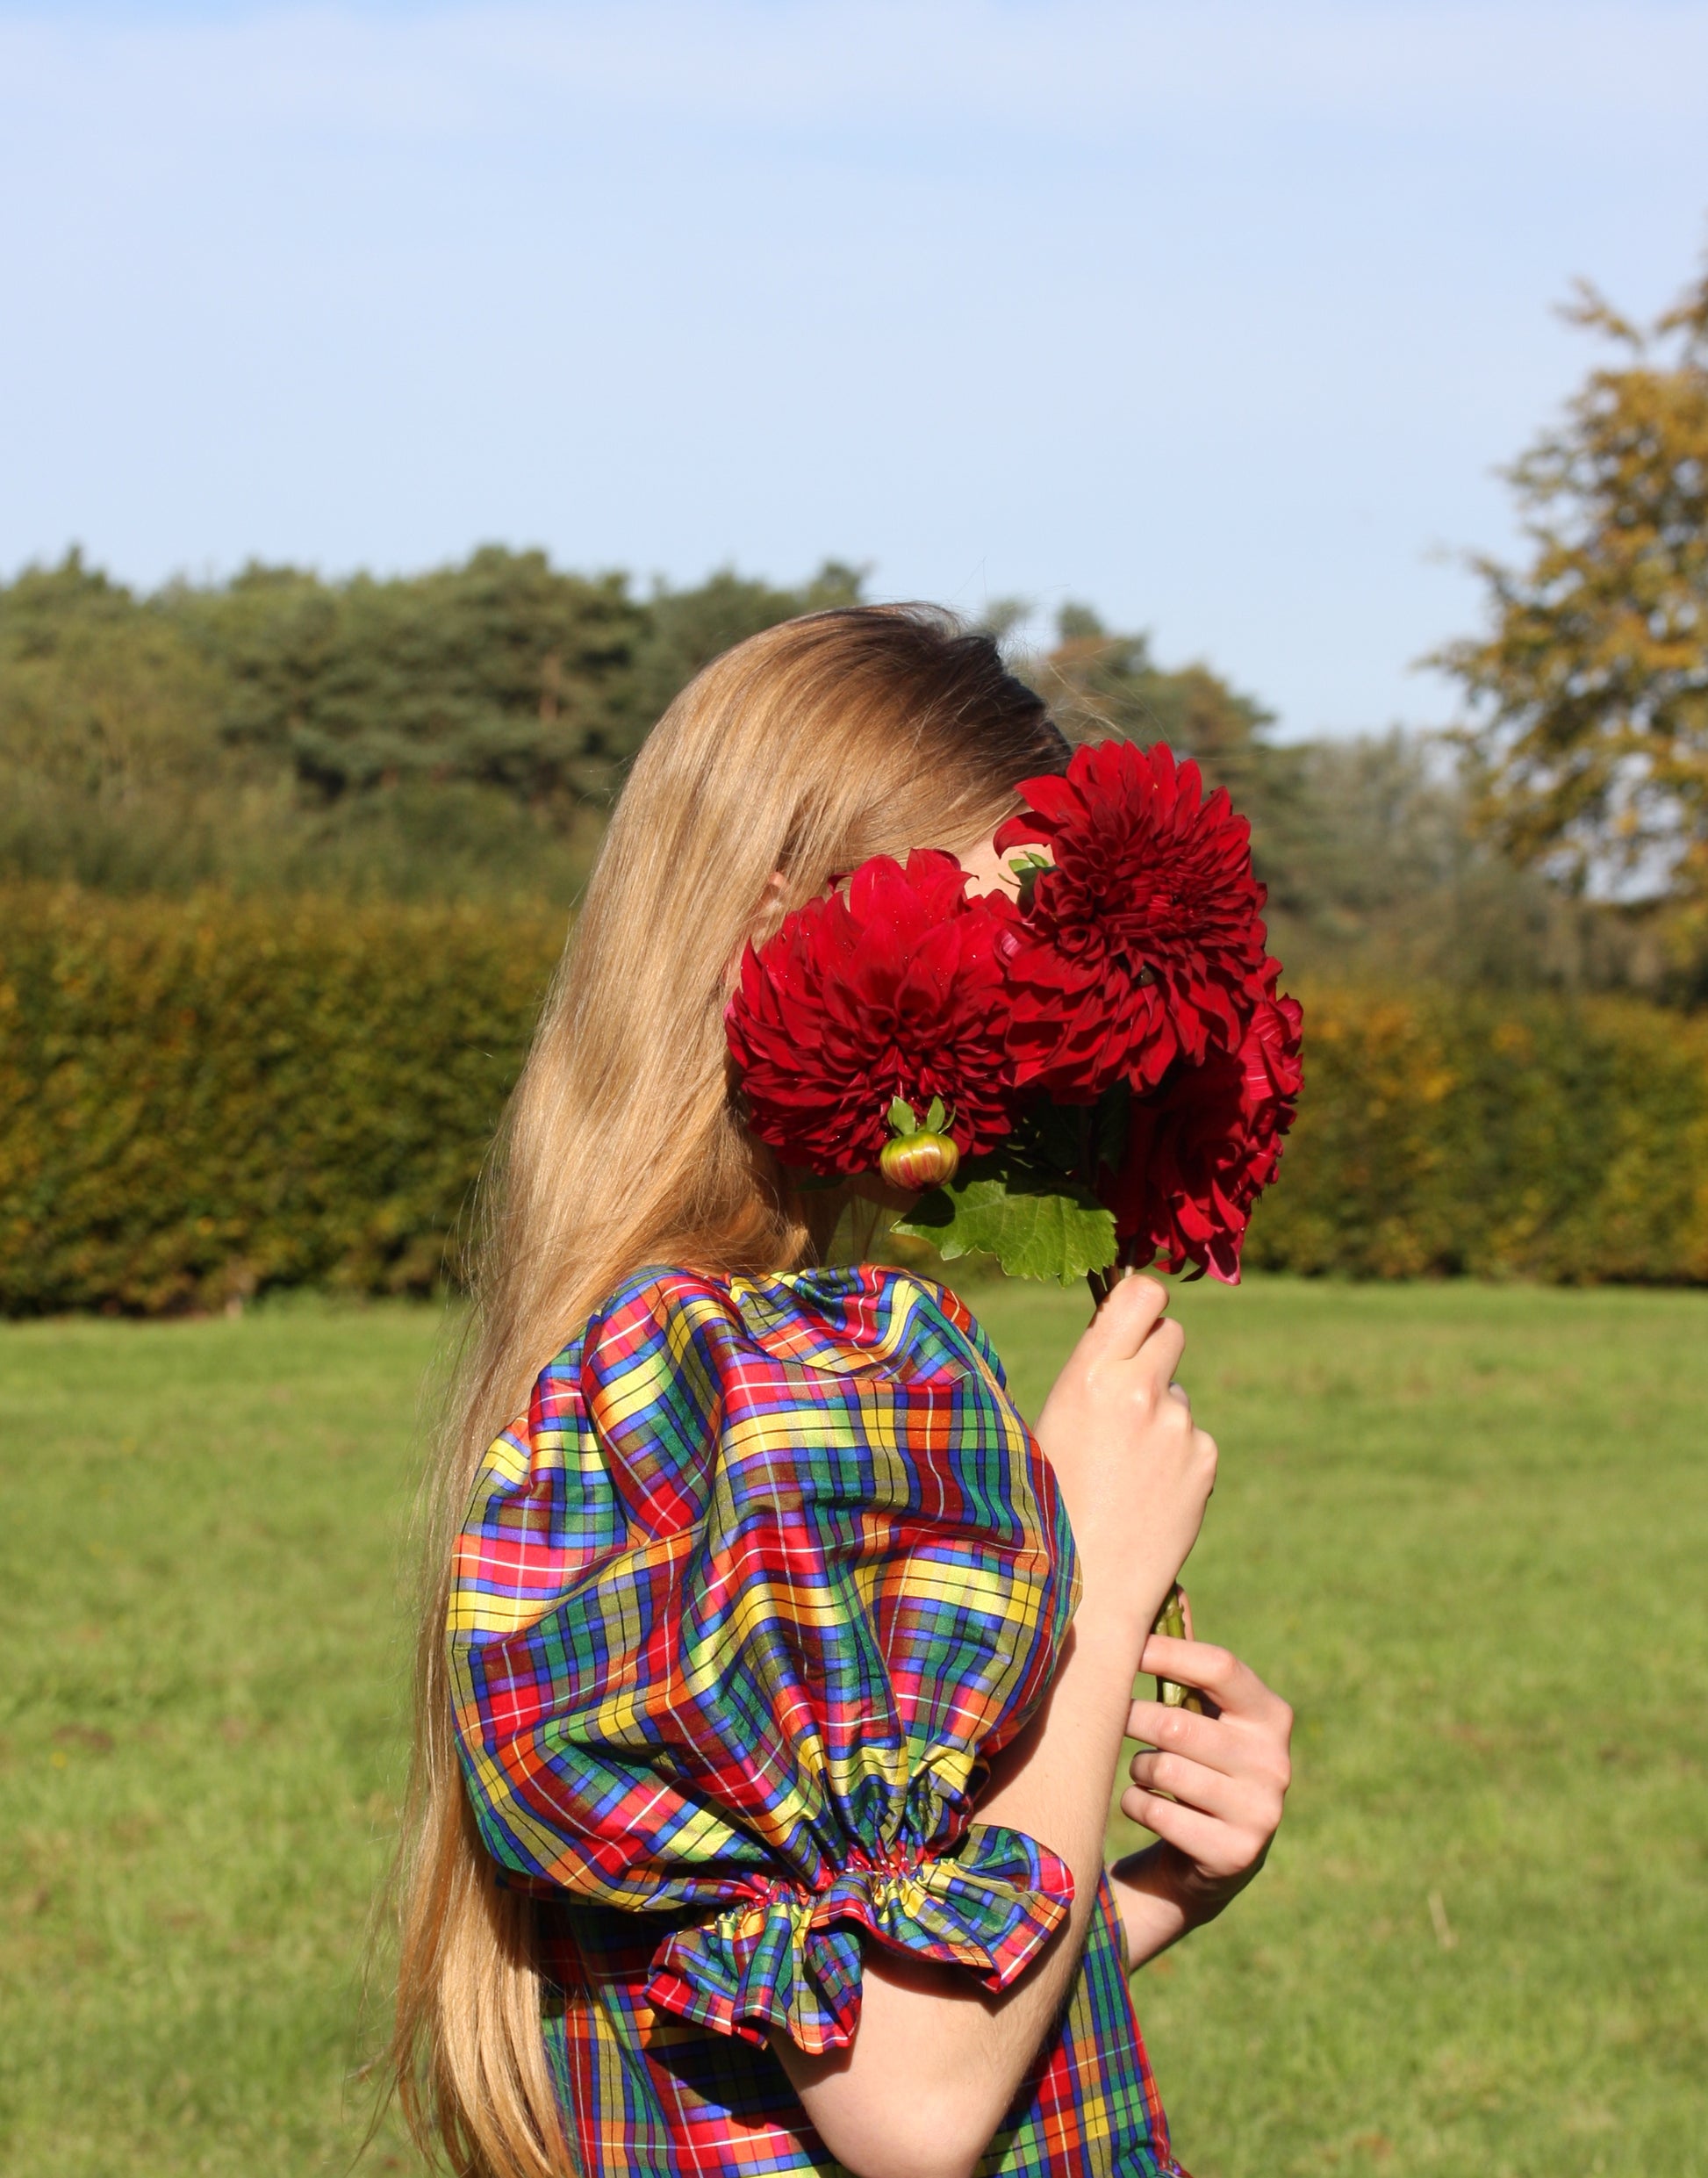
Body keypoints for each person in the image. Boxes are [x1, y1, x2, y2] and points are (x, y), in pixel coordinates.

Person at [389, 607, 1294, 2178]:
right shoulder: (794, 1382)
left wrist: (1146, 1886)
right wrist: (1085, 1583)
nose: (1037, 1019)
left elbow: (795, 2036)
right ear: (779, 928)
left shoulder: (623, 1361)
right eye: (1006, 926)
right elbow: (913, 2102)